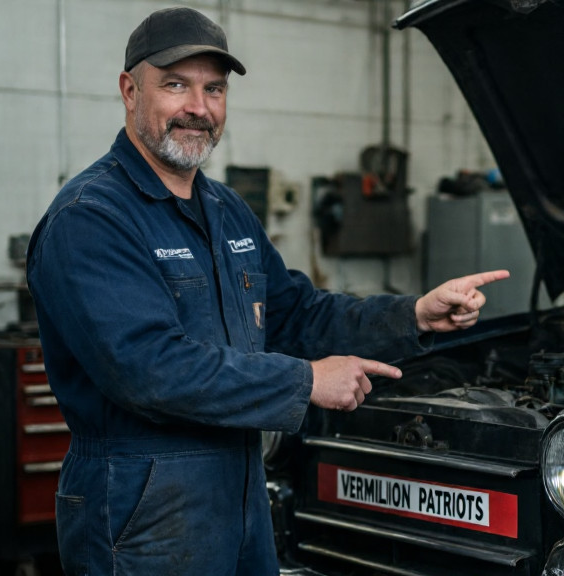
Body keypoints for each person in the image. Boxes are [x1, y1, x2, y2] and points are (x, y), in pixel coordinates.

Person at [26, 6, 510, 576]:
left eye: (214, 89)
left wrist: (415, 315)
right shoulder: (92, 218)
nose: (198, 108)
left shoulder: (227, 210)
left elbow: (296, 315)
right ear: (130, 91)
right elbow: (148, 368)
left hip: (240, 496)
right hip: (138, 511)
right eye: (176, 85)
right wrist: (306, 380)